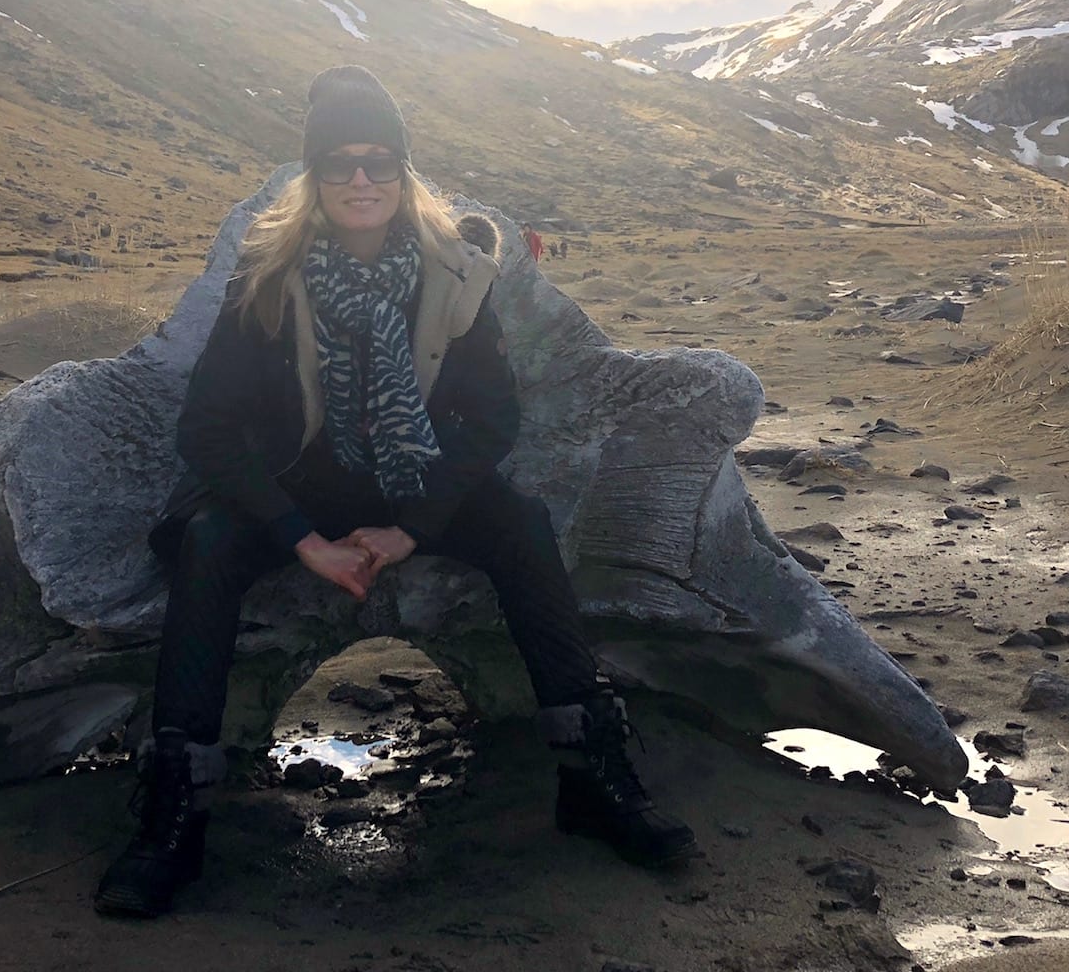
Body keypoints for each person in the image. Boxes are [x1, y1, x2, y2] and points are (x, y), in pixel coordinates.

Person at [94, 65, 695, 918]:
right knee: (207, 545)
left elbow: (490, 422)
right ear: (315, 179)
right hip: (296, 492)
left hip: (414, 490)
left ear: (403, 172)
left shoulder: (455, 276)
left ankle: (594, 775)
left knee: (520, 523)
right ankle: (172, 816)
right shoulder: (263, 280)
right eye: (339, 164)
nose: (362, 180)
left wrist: (413, 529)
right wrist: (302, 537)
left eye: (379, 161)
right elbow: (210, 432)